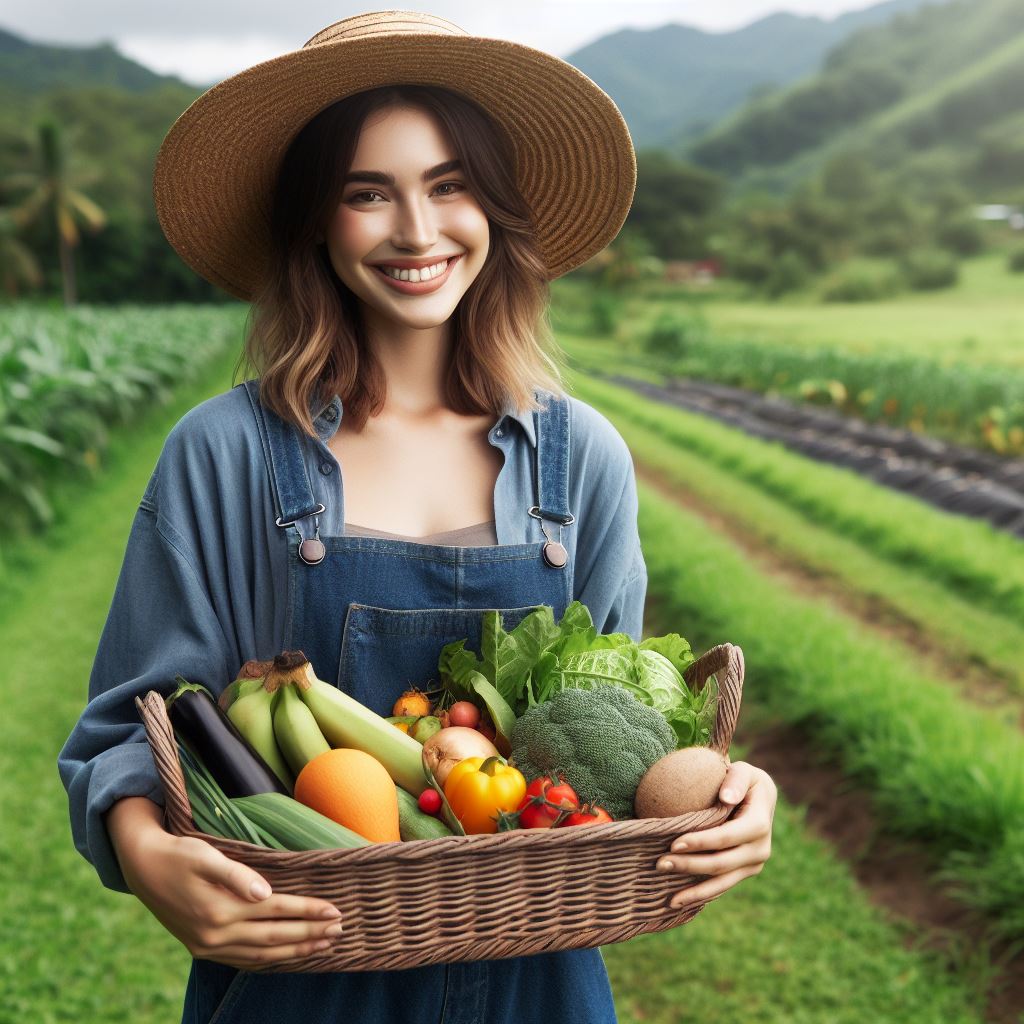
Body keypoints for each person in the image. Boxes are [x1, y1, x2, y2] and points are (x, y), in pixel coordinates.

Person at [57, 11, 777, 1024]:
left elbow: (633, 741)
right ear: (314, 219)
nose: (416, 230)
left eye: (449, 185)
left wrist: (736, 800)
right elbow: (130, 724)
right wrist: (144, 848)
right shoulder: (224, 453)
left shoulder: (582, 462)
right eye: (367, 193)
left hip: (542, 987)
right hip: (299, 981)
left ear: (495, 210)